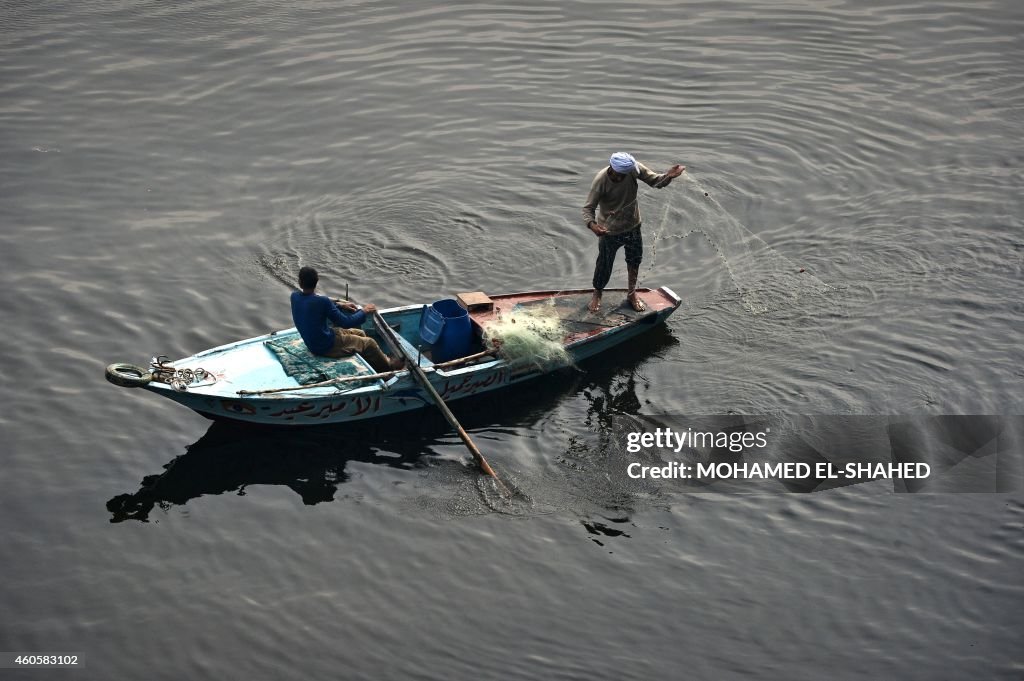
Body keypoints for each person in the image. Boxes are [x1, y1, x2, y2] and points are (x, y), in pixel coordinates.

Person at [582, 152, 685, 313]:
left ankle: (632, 294)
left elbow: (656, 182)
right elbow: (588, 209)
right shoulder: (601, 181)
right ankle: (597, 293)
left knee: (634, 260)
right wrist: (593, 226)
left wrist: (669, 176)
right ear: (615, 170)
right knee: (604, 264)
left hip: (633, 225)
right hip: (609, 231)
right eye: (623, 174)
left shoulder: (634, 169)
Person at [290, 266, 403, 373]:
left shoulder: (294, 296)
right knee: (370, 343)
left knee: (360, 333)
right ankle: (388, 368)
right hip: (324, 346)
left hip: (316, 340)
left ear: (300, 282)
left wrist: (339, 305)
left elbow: (315, 304)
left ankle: (376, 360)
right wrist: (364, 311)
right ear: (317, 281)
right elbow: (346, 322)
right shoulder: (323, 302)